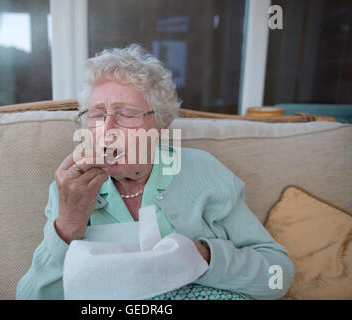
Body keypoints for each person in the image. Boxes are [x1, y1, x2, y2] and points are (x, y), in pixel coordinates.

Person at [16, 44, 294, 300]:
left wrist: (203, 256)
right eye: (98, 115)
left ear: (160, 124)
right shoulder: (70, 188)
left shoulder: (203, 171)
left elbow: (277, 275)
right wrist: (67, 225)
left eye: (125, 114)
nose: (107, 130)